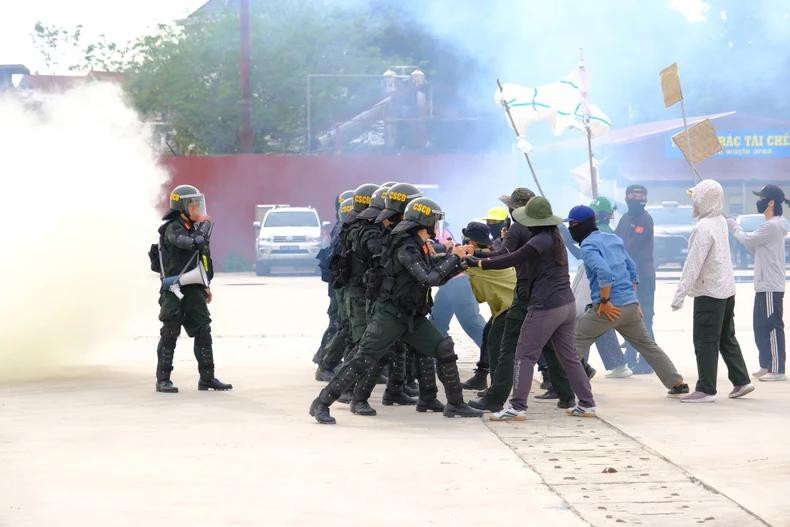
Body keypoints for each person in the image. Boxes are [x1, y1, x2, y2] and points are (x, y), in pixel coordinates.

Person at [310, 198, 483, 424]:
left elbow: (436, 276)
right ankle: (321, 403)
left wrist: (460, 263)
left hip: (411, 315)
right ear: (426, 221)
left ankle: (455, 404)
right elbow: (428, 278)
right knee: (364, 358)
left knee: (443, 348)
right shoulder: (405, 246)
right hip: (390, 315)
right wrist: (454, 257)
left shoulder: (417, 244)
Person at [469, 197, 596, 420]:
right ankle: (586, 403)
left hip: (546, 306)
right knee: (569, 356)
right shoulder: (553, 237)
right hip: (566, 304)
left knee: (524, 355)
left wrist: (478, 263)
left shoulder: (540, 240)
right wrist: (480, 255)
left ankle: (517, 407)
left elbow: (511, 258)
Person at [566, 205, 689, 398]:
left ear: (576, 225)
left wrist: (605, 301)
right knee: (647, 346)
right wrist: (634, 301)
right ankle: (677, 383)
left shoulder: (588, 246)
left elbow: (604, 273)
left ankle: (572, 389)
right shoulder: (613, 239)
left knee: (571, 345)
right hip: (630, 307)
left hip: (607, 309)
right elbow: (632, 269)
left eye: (571, 225)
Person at [672, 179, 754, 403]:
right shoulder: (720, 221)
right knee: (726, 337)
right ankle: (741, 380)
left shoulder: (703, 227)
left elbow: (693, 264)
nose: (694, 203)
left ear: (703, 200)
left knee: (705, 340)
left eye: (696, 198)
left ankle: (706, 389)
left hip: (709, 292)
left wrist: (679, 296)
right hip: (726, 289)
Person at [153, 185, 232, 393]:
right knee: (170, 331)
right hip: (174, 289)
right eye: (193, 204)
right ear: (182, 207)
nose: (198, 208)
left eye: (198, 203)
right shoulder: (173, 228)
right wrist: (205, 226)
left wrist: (205, 286)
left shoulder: (193, 228)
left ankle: (207, 379)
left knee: (203, 330)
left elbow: (202, 260)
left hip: (194, 287)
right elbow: (192, 243)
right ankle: (163, 379)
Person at [728, 184, 789, 382]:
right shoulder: (772, 225)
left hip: (771, 285)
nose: (759, 202)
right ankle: (766, 364)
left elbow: (748, 239)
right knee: (760, 327)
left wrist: (734, 226)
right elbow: (755, 248)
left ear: (771, 203)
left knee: (772, 326)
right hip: (764, 284)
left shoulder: (773, 225)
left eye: (762, 198)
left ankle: (777, 369)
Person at [461, 221, 516, 392]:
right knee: (488, 334)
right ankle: (482, 377)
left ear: (472, 242)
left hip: (511, 306)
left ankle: (496, 388)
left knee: (495, 342)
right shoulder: (491, 253)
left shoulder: (477, 261)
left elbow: (452, 267)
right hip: (508, 304)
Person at [615, 184, 656, 374]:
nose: (637, 198)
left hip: (643, 276)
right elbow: (615, 239)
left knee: (644, 318)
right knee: (630, 317)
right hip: (627, 275)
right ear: (627, 197)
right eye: (633, 195)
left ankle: (648, 361)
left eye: (641, 195)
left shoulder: (645, 220)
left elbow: (630, 246)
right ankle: (630, 356)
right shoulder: (625, 218)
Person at [313, 190, 353, 370]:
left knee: (338, 323)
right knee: (338, 323)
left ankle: (323, 355)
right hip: (338, 286)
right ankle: (325, 359)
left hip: (337, 284)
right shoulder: (341, 229)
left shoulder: (340, 227)